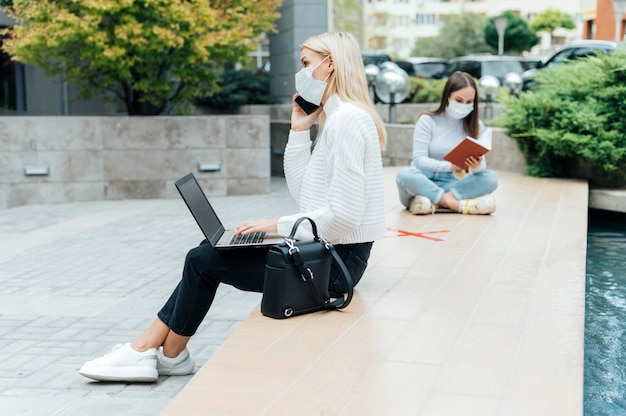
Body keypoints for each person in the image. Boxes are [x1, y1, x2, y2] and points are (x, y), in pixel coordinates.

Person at [79, 31, 387, 383]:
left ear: (329, 64)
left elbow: (344, 217)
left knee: (202, 261)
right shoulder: (337, 119)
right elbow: (308, 197)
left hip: (334, 268)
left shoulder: (348, 120)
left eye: (305, 64)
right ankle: (160, 352)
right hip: (322, 254)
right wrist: (299, 130)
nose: (300, 74)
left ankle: (157, 352)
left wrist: (273, 224)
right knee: (207, 251)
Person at [395, 71, 498, 215]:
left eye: (469, 102)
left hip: (451, 185)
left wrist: (477, 166)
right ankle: (456, 205)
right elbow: (419, 160)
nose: (464, 105)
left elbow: (481, 169)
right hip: (423, 180)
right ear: (447, 97)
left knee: (490, 178)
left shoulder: (476, 126)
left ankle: (432, 202)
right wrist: (449, 166)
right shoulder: (428, 121)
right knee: (404, 175)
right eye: (459, 100)